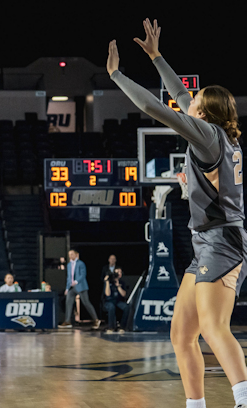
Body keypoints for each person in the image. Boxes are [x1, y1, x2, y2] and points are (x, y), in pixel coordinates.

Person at [108, 19, 247, 408]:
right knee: (181, 334)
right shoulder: (215, 132)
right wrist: (156, 57)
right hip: (209, 241)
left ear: (207, 111)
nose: (190, 99)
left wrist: (116, 75)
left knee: (214, 328)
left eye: (197, 98)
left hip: (223, 240)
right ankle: (195, 405)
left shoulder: (205, 135)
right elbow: (179, 93)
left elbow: (154, 106)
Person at [58, 249, 100, 329]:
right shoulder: (69, 265)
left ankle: (96, 319)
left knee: (86, 302)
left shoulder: (81, 263)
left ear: (76, 255)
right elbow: (69, 277)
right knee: (68, 303)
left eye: (72, 254)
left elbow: (83, 274)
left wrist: (76, 281)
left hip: (81, 286)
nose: (70, 256)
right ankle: (67, 321)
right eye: (69, 254)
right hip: (71, 287)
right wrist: (67, 288)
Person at [103, 267, 129, 333]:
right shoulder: (109, 281)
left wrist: (118, 286)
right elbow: (107, 294)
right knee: (111, 307)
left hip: (118, 301)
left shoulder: (122, 282)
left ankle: (122, 327)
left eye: (120, 272)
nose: (119, 274)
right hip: (109, 301)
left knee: (126, 307)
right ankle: (111, 327)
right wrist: (107, 282)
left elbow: (124, 294)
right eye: (117, 272)